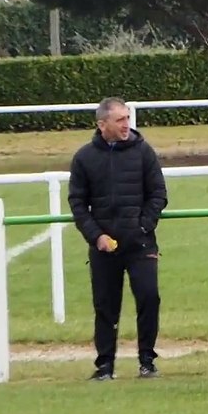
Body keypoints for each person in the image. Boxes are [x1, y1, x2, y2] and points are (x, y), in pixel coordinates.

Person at [68, 96, 168, 381]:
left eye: (127, 118)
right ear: (102, 125)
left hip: (140, 244)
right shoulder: (84, 158)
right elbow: (77, 203)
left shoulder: (144, 152)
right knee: (105, 306)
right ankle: (105, 366)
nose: (126, 124)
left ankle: (147, 361)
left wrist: (142, 226)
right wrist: (96, 236)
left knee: (149, 297)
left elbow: (158, 194)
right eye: (120, 119)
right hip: (103, 248)